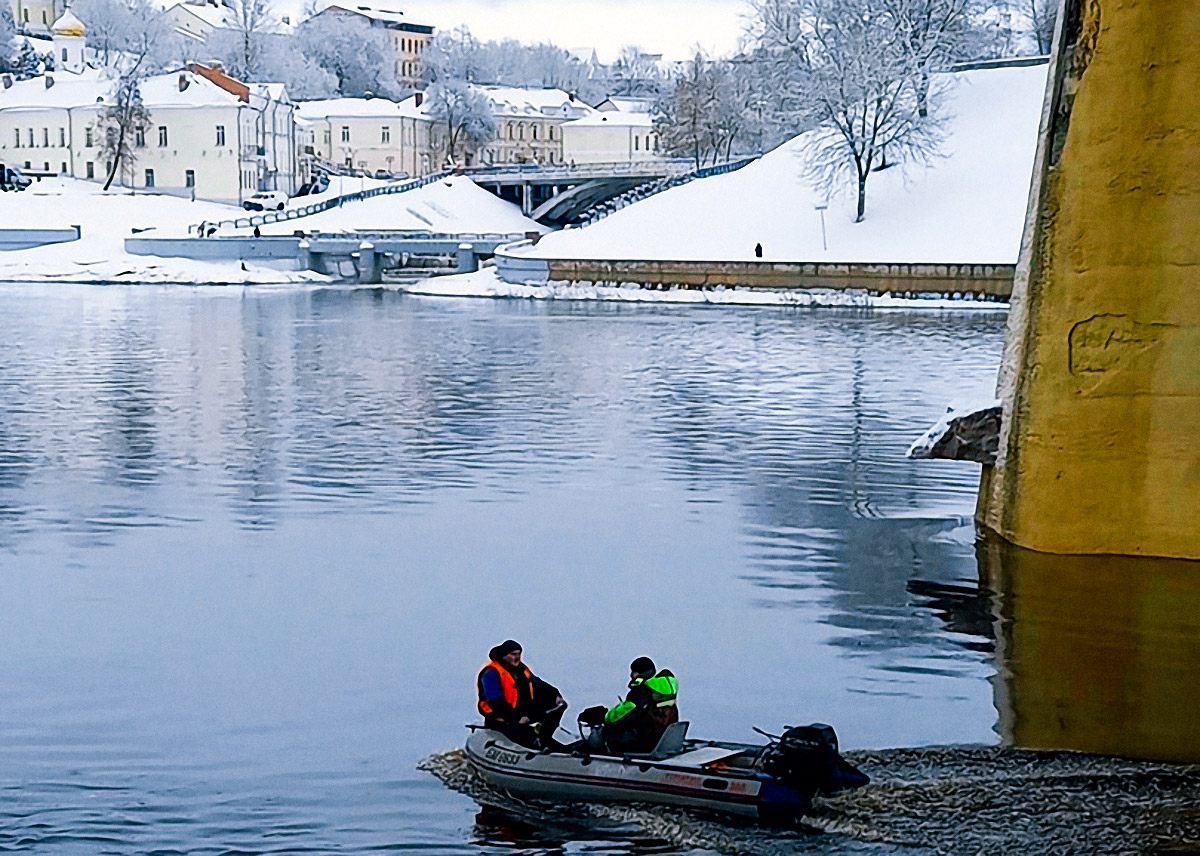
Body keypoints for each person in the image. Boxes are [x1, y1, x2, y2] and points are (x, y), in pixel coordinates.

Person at [477, 640, 567, 750]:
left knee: (555, 705)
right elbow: (496, 703)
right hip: (502, 719)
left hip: (522, 714)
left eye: (519, 654)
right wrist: (516, 719)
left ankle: (545, 737)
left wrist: (555, 696)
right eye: (513, 655)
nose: (517, 658)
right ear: (504, 656)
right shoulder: (491, 674)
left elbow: (539, 685)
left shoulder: (521, 670)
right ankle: (538, 744)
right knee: (524, 738)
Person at [601, 657, 679, 754]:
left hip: (645, 741)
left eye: (633, 672)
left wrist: (605, 717)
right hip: (664, 739)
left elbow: (624, 714)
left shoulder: (641, 691)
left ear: (641, 673)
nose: (631, 675)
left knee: (609, 731)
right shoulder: (665, 691)